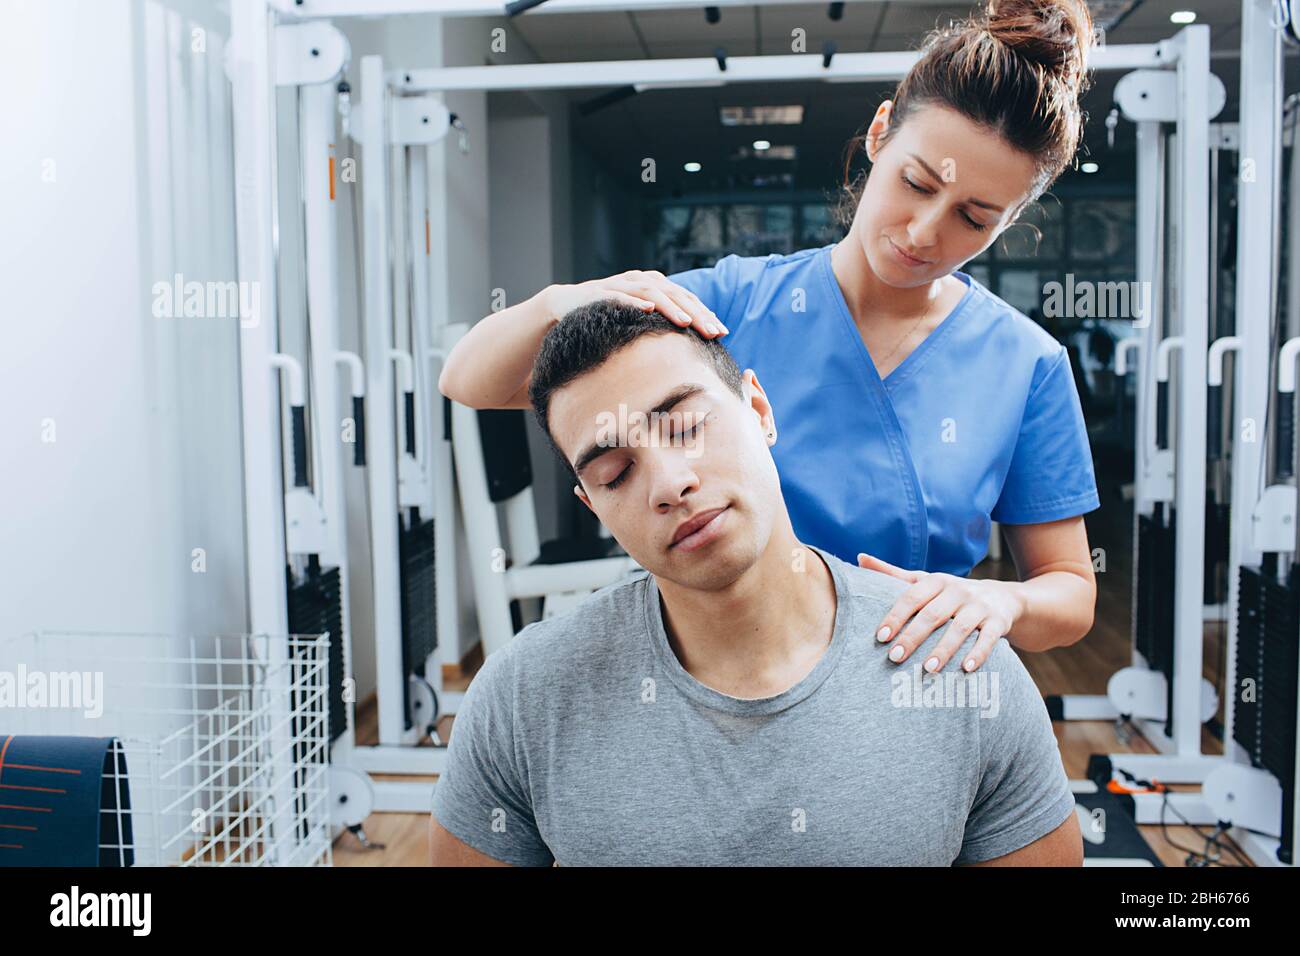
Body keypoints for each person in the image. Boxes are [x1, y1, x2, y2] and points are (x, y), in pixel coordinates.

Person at [439, 0, 1101, 678]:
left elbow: (1070, 592)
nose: (927, 231)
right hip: (728, 680)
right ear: (880, 134)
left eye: (973, 216)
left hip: (913, 686)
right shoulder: (721, 306)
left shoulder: (1026, 364)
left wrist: (997, 602)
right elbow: (469, 379)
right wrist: (562, 302)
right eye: (916, 183)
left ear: (1011, 218)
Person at [429, 302, 1082, 866]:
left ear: (760, 410)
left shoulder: (958, 665)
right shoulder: (522, 696)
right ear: (591, 506)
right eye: (615, 472)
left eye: (685, 425)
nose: (669, 483)